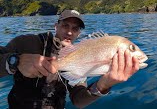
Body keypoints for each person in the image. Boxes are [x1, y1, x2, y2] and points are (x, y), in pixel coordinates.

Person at [0, 9, 140, 108]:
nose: (69, 32)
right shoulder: (28, 42)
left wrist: (103, 85)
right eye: (65, 25)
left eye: (75, 28)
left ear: (79, 34)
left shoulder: (79, 57)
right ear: (56, 26)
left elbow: (78, 101)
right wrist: (15, 61)